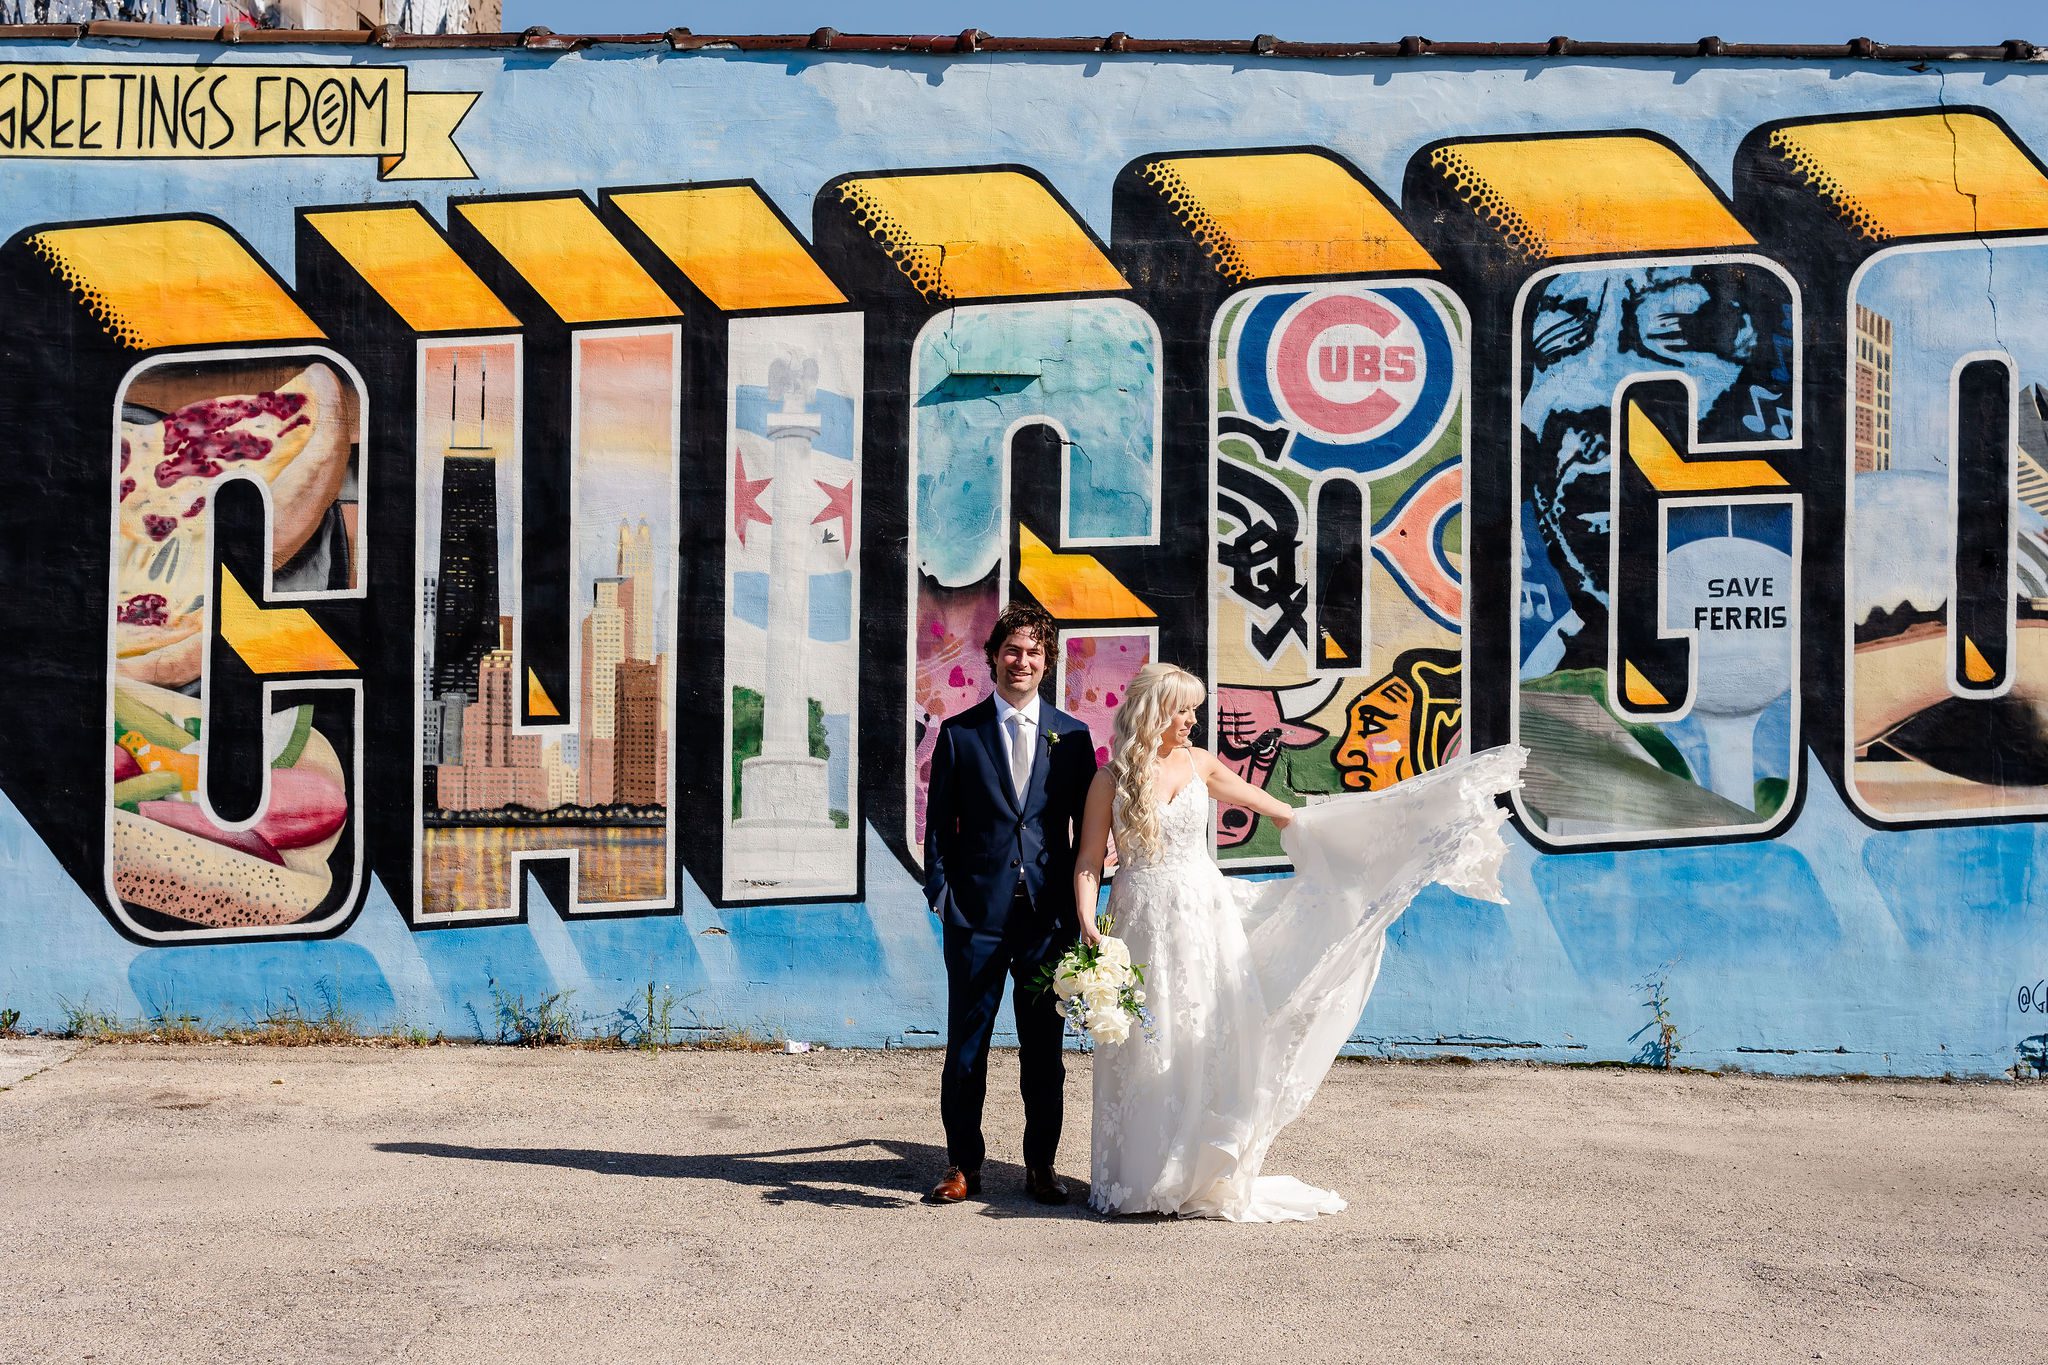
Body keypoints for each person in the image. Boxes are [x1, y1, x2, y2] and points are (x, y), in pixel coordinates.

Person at [1073, 662, 1523, 1221]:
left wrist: (1357, 839)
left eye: (1194, 708)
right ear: (1152, 712)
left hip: (1200, 916)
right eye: (1181, 709)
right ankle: (1135, 1176)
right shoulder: (1110, 780)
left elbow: (1278, 812)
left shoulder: (1201, 765)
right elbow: (1090, 860)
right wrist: (1090, 926)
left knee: (1200, 1034)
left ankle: (1187, 1171)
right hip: (1137, 918)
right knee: (1144, 1040)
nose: (1192, 719)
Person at [923, 601, 1100, 1205]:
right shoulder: (960, 733)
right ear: (993, 657)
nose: (1021, 661)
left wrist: (1087, 903)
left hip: (1045, 924)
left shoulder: (1073, 739)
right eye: (1011, 650)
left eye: (1033, 653)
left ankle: (1040, 1167)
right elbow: (938, 825)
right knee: (966, 1047)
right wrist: (942, 893)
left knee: (1043, 1052)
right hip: (975, 917)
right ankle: (960, 1165)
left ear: (1047, 664)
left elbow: (1086, 831)